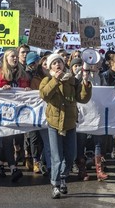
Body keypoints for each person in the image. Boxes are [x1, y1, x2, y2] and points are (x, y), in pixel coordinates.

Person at [39, 54, 92, 199]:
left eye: (60, 62)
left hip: (69, 124)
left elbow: (83, 98)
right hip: (54, 124)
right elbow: (44, 94)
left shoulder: (72, 80)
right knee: (57, 157)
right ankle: (55, 184)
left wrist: (85, 83)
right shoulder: (47, 80)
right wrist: (56, 79)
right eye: (54, 63)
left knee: (70, 156)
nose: (57, 65)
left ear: (64, 65)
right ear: (50, 67)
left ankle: (62, 177)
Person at [0, 48, 31, 182]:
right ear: (5, 58)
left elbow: (27, 87)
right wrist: (0, 90)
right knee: (7, 139)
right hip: (3, 113)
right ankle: (13, 168)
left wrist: (27, 90)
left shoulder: (23, 74)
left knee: (13, 139)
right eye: (12, 56)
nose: (15, 58)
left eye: (16, 56)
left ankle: (0, 165)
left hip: (18, 113)